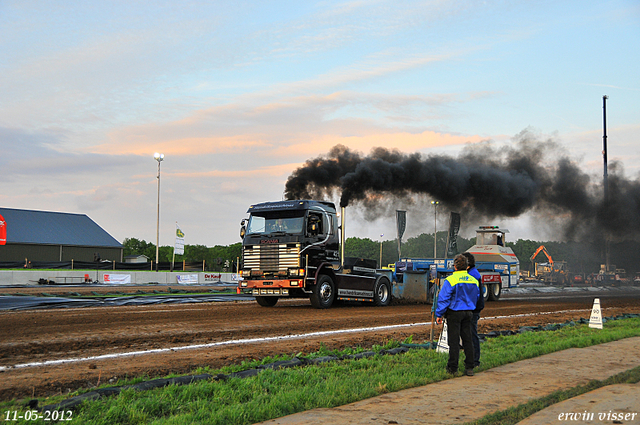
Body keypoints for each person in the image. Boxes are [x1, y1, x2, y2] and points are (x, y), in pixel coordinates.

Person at [436, 254, 480, 376]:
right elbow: (476, 296)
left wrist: (439, 314)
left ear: (454, 267)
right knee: (468, 339)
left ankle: (452, 368)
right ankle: (470, 367)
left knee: (454, 341)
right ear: (466, 267)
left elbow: (444, 298)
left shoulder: (451, 280)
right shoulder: (473, 280)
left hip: (454, 313)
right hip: (468, 312)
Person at [462, 252, 483, 368]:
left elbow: (474, 295)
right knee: (469, 333)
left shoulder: (472, 276)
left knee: (471, 334)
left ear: (467, 265)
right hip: (473, 308)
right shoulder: (473, 273)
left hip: (473, 309)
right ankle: (472, 359)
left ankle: (475, 361)